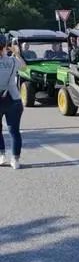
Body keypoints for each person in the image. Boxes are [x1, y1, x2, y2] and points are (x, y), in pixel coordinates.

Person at [0, 35, 25, 169]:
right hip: (14, 99)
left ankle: (2, 156)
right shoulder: (13, 61)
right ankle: (15, 160)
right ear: (5, 46)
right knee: (14, 132)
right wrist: (16, 52)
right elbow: (24, 67)